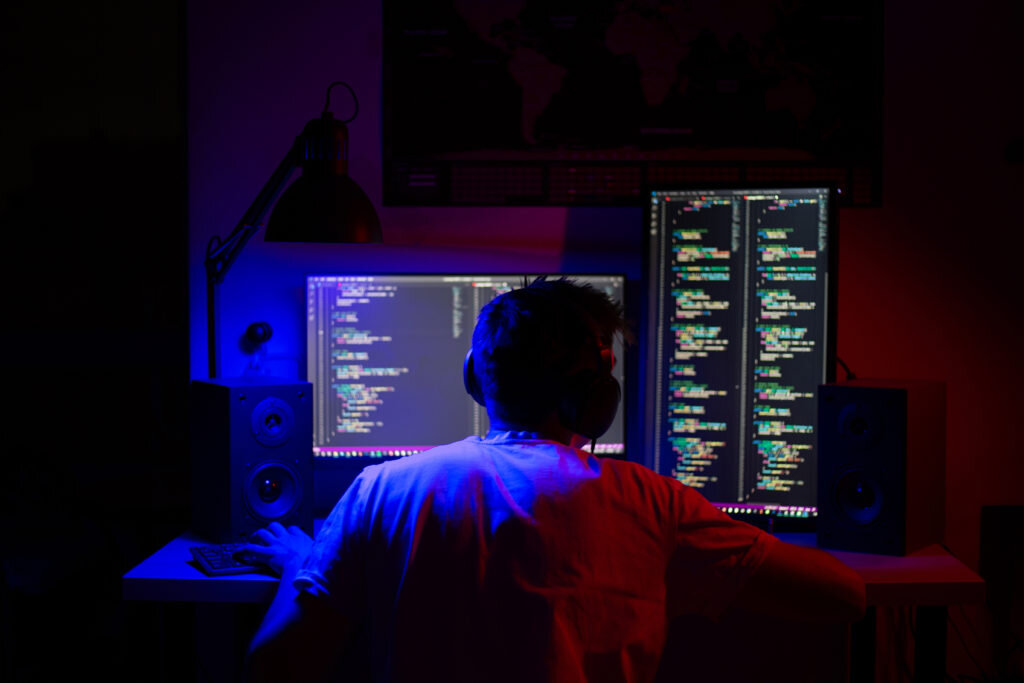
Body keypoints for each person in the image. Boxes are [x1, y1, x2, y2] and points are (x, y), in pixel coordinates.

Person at [241, 276, 865, 683]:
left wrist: (306, 563)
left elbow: (271, 669)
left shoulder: (378, 492)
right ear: (596, 396)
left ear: (475, 378)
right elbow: (845, 597)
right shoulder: (651, 502)